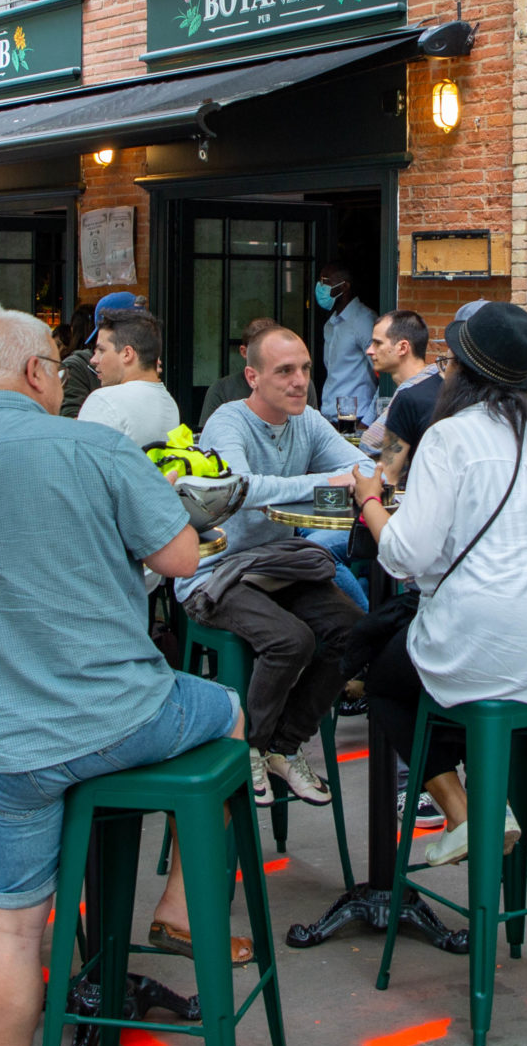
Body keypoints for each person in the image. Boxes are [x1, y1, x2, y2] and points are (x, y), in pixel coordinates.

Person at [0, 309, 245, 1046]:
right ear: (38, 374)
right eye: (57, 366)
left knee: (14, 921)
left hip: (1, 743)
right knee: (230, 709)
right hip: (122, 718)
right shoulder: (92, 446)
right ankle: (180, 900)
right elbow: (182, 558)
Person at [353, 302, 527, 862]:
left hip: (482, 643)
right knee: (432, 665)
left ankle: (469, 813)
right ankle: (488, 806)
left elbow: (402, 556)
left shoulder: (448, 439)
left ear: (462, 373)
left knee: (387, 681)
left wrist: (370, 501)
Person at [183, 324, 367, 806]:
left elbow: (359, 469)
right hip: (217, 570)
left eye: (305, 369)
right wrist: (324, 480)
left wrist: (365, 472)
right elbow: (241, 489)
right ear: (253, 377)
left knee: (354, 631)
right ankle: (247, 749)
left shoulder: (305, 420)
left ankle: (281, 747)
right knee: (292, 641)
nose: (299, 381)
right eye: (284, 371)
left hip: (278, 565)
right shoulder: (229, 421)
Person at [79, 305, 182, 444]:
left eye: (101, 350)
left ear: (127, 354)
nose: (93, 360)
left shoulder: (104, 401)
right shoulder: (170, 405)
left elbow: (81, 462)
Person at [362, 309, 440, 454]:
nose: (369, 351)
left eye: (377, 343)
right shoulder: (435, 379)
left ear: (403, 348)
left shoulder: (412, 390)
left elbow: (369, 444)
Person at [315, 265, 377, 424]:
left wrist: (368, 422)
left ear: (344, 286)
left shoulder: (363, 321)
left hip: (357, 419)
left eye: (325, 282)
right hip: (329, 418)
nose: (320, 287)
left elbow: (384, 373)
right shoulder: (331, 324)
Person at [59, 292, 132, 416]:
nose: (94, 360)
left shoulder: (155, 392)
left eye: (102, 350)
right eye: (99, 350)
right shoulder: (76, 366)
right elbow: (70, 421)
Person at [199, 315, 275, 429]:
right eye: (260, 351)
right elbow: (209, 436)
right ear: (244, 352)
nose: (269, 356)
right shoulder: (221, 389)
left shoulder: (298, 385)